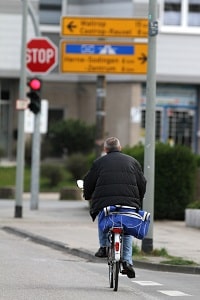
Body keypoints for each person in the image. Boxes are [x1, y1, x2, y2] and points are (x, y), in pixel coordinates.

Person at [83, 137, 146, 278]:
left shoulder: (99, 162)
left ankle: (104, 247)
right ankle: (128, 262)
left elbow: (89, 182)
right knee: (127, 230)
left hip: (106, 204)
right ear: (120, 147)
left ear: (105, 150)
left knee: (103, 217)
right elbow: (142, 182)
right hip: (129, 203)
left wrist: (87, 196)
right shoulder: (133, 162)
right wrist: (139, 198)